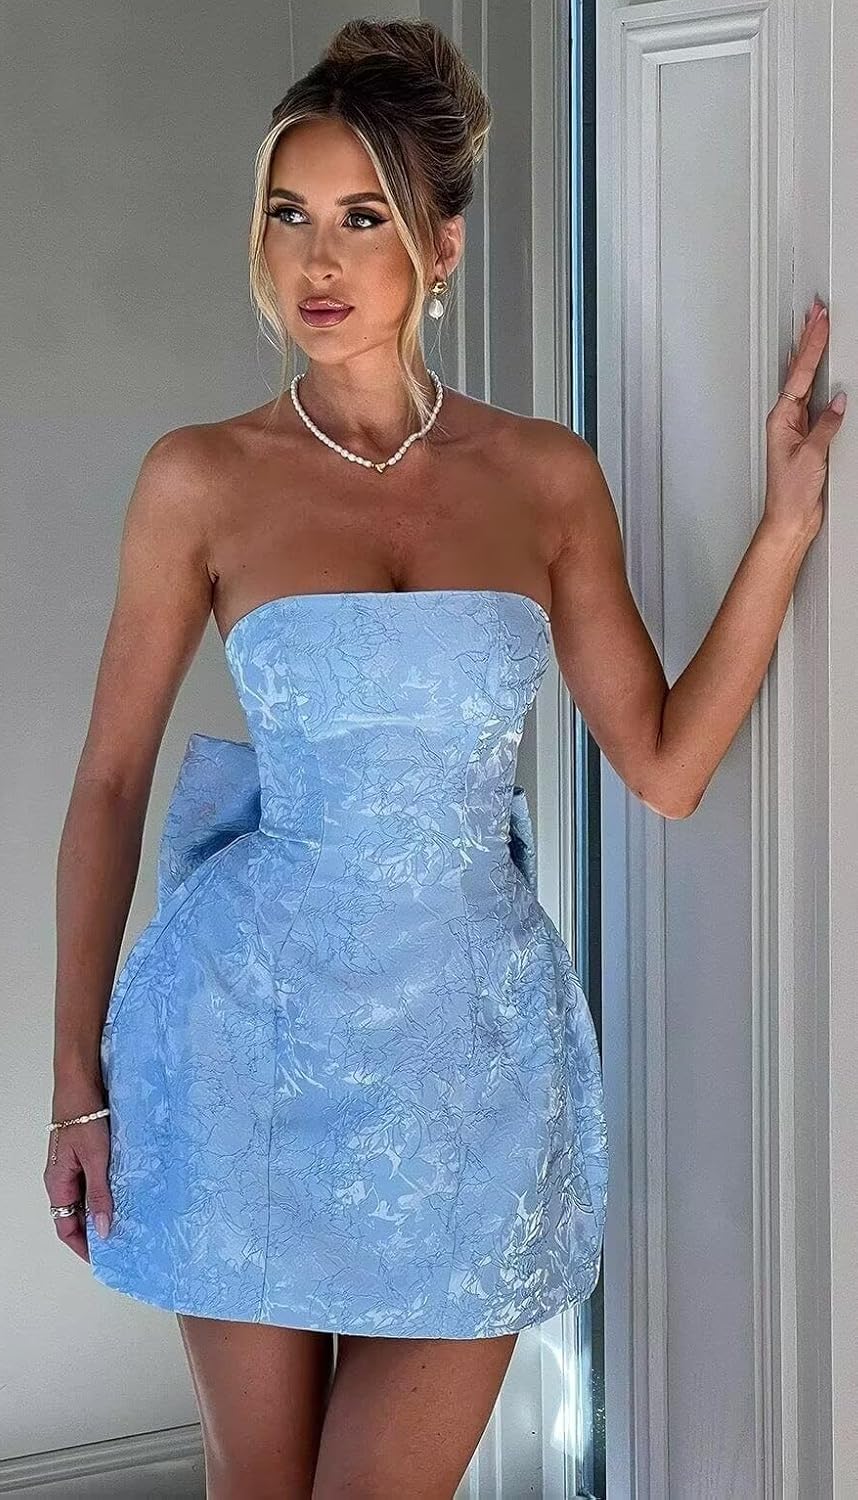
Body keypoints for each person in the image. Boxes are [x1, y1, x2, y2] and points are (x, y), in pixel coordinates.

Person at [43, 17, 844, 1500]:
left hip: (465, 1060)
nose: (317, 259)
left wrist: (786, 526)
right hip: (241, 1042)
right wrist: (73, 1084)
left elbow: (664, 764)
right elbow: (108, 784)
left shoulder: (542, 476)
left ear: (442, 248)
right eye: (289, 214)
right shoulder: (201, 477)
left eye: (363, 218)